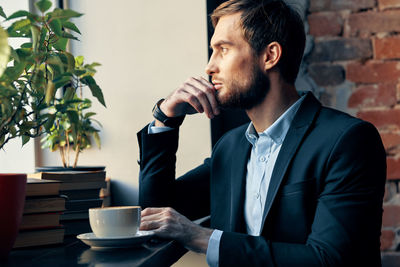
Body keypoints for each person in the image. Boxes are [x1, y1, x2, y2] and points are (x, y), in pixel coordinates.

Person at [137, 0, 386, 266]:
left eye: (223, 49)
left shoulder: (348, 141)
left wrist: (201, 237)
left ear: (270, 56)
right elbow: (155, 214)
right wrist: (165, 118)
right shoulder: (230, 148)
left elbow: (329, 260)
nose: (209, 67)